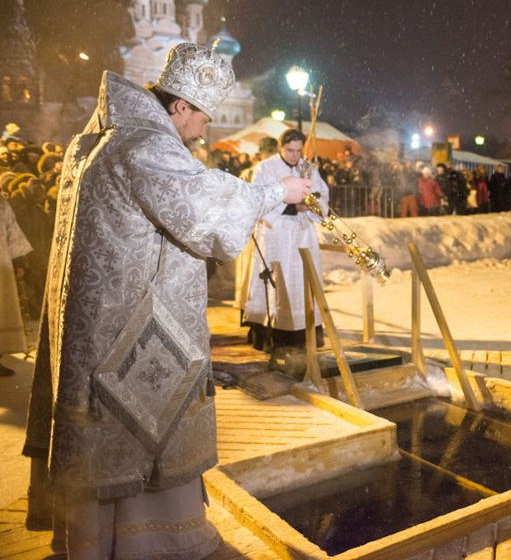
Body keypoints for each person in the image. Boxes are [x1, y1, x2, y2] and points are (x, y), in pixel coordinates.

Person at [22, 43, 313, 557]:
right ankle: (143, 546)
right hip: (127, 331)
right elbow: (206, 218)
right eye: (202, 116)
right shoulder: (144, 145)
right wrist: (275, 193)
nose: (203, 130)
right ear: (179, 106)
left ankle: (90, 542)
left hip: (96, 326)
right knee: (133, 437)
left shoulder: (94, 138)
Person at [242, 128, 329, 350]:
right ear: (281, 147)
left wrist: (312, 204)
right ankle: (275, 335)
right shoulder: (266, 168)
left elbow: (322, 194)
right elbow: (260, 199)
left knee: (302, 280)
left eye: (299, 151)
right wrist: (292, 206)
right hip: (277, 232)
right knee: (279, 281)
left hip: (302, 233)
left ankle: (305, 332)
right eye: (290, 150)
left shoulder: (307, 167)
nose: (294, 156)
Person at [0, 195, 32, 376]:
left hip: (2, 268)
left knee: (2, 313)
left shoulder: (1, 203)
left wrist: (19, 263)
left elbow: (13, 232)